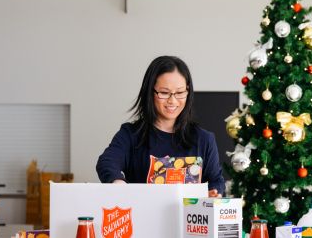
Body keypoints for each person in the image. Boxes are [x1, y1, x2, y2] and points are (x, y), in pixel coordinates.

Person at [96, 55, 225, 197]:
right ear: (150, 92)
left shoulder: (204, 139)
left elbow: (216, 181)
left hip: (189, 218)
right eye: (164, 93)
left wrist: (214, 193)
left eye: (180, 92)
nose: (173, 100)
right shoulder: (130, 135)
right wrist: (118, 182)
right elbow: (107, 162)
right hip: (142, 217)